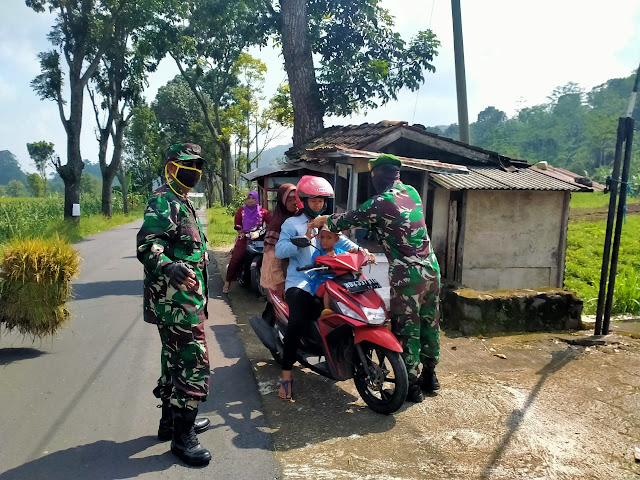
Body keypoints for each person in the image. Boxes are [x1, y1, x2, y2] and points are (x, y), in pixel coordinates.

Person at [311, 154, 442, 404]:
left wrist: (323, 219)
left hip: (408, 273)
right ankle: (430, 375)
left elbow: (348, 220)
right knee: (430, 322)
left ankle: (411, 386)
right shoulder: (412, 192)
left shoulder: (380, 202)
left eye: (372, 176)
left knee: (408, 328)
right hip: (431, 268)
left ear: (378, 176)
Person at [136, 143, 212, 466]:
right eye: (186, 165)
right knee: (193, 363)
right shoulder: (163, 199)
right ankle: (183, 438)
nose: (193, 172)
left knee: (174, 362)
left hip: (184, 301)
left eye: (197, 167)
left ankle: (172, 423)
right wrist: (168, 265)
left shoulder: (183, 202)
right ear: (170, 167)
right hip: (175, 302)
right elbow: (148, 244)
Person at [274, 176, 358, 400]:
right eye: (313, 201)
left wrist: (362, 253)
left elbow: (343, 243)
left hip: (329, 278)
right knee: (297, 320)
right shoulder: (291, 224)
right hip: (300, 281)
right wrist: (299, 240)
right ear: (303, 201)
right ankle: (286, 375)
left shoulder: (327, 223)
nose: (317, 205)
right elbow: (279, 251)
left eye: (321, 201)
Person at [223, 191, 270, 293]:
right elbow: (237, 223)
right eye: (249, 198)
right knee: (236, 259)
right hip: (244, 238)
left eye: (253, 198)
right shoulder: (241, 211)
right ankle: (227, 283)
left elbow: (271, 222)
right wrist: (240, 232)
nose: (251, 200)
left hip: (258, 238)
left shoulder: (263, 211)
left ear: (257, 199)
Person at [260, 183, 299, 297]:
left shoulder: (303, 219)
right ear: (282, 202)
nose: (294, 202)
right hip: (284, 277)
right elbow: (271, 257)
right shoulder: (277, 224)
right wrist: (280, 282)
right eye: (289, 200)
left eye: (296, 198)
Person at [307, 226, 346, 316]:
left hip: (338, 281)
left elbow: (346, 258)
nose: (324, 241)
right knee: (328, 287)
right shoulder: (318, 253)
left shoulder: (340, 252)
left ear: (336, 239)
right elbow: (315, 262)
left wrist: (353, 252)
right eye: (322, 237)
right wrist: (326, 259)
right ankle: (327, 310)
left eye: (329, 238)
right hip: (322, 281)